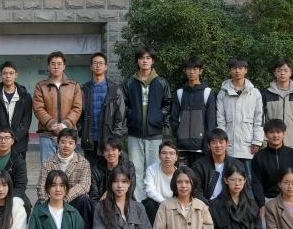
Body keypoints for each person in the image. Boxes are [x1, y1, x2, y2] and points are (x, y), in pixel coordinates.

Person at [124, 47, 171, 197]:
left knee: (154, 168)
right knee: (135, 169)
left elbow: (168, 103)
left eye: (148, 58)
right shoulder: (129, 83)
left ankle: (153, 200)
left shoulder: (161, 82)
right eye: (142, 58)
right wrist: (132, 116)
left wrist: (158, 116)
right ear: (137, 61)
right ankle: (138, 202)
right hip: (135, 132)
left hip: (155, 132)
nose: (145, 61)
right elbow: (123, 104)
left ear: (153, 61)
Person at [79, 52, 128, 174]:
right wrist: (81, 131)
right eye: (95, 63)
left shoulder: (114, 89)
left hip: (108, 138)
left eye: (101, 63)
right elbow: (78, 113)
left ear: (106, 67)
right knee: (91, 172)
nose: (98, 66)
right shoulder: (84, 89)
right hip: (90, 139)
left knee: (110, 173)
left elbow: (120, 116)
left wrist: (115, 137)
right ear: (91, 67)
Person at [189, 129, 264, 209]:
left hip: (231, 206)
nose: (218, 145)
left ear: (227, 143)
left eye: (221, 142)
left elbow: (246, 188)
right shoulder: (199, 165)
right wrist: (207, 206)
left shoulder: (236, 164)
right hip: (207, 206)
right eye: (214, 142)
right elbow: (197, 190)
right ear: (208, 145)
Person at [33, 50, 83, 164]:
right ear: (48, 66)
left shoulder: (74, 86)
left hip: (68, 135)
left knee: (67, 168)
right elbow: (38, 108)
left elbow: (77, 108)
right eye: (53, 64)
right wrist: (51, 124)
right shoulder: (41, 86)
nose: (56, 66)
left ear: (64, 66)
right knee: (48, 168)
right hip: (47, 134)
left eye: (59, 64)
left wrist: (65, 124)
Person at [38, 128, 94, 229]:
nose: (66, 145)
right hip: (53, 199)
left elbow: (84, 185)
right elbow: (41, 186)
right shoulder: (48, 162)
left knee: (84, 199)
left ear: (75, 145)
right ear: (58, 143)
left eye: (70, 143)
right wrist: (51, 201)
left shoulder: (83, 162)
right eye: (63, 142)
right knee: (39, 204)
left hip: (73, 199)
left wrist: (64, 198)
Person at [216, 58, 264, 170]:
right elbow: (220, 119)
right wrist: (222, 141)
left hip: (248, 143)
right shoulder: (223, 93)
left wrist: (257, 141)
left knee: (248, 176)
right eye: (234, 68)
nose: (237, 71)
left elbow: (259, 118)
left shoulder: (254, 93)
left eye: (241, 68)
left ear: (246, 70)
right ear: (230, 70)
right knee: (228, 175)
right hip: (229, 143)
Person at [262, 59, 293, 164]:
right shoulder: (266, 94)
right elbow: (262, 120)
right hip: (271, 144)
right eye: (279, 70)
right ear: (274, 73)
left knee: (292, 174)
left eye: (285, 70)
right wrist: (264, 142)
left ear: (291, 72)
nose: (282, 73)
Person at [170, 56, 214, 168]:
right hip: (182, 147)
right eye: (189, 69)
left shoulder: (207, 92)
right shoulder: (180, 93)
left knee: (199, 176)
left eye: (195, 69)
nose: (192, 72)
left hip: (201, 147)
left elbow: (211, 122)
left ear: (200, 71)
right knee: (183, 175)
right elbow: (174, 118)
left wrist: (207, 144)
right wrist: (179, 135)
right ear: (185, 71)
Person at [0, 61, 34, 156]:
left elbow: (26, 121)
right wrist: (1, 137)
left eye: (11, 73)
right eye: (5, 73)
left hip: (19, 142)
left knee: (18, 165)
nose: (8, 76)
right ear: (1, 75)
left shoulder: (25, 96)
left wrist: (13, 138)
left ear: (16, 75)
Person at [254, 119, 293, 200]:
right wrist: (261, 203)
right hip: (268, 198)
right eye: (271, 132)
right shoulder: (259, 157)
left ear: (284, 134)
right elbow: (256, 183)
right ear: (266, 135)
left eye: (278, 132)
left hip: (291, 197)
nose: (275, 135)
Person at [142, 139, 181, 222]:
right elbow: (149, 190)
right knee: (149, 203)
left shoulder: (180, 174)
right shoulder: (151, 169)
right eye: (164, 153)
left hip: (174, 206)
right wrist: (164, 203)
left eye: (171, 153)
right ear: (159, 156)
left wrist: (170, 205)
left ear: (176, 157)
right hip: (157, 204)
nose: (167, 156)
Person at [92, 136, 134, 206]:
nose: (110, 153)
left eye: (114, 149)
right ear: (103, 153)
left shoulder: (128, 166)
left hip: (124, 202)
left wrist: (109, 194)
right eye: (107, 150)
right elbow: (94, 196)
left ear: (119, 151)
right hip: (102, 204)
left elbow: (130, 189)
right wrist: (99, 207)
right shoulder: (96, 169)